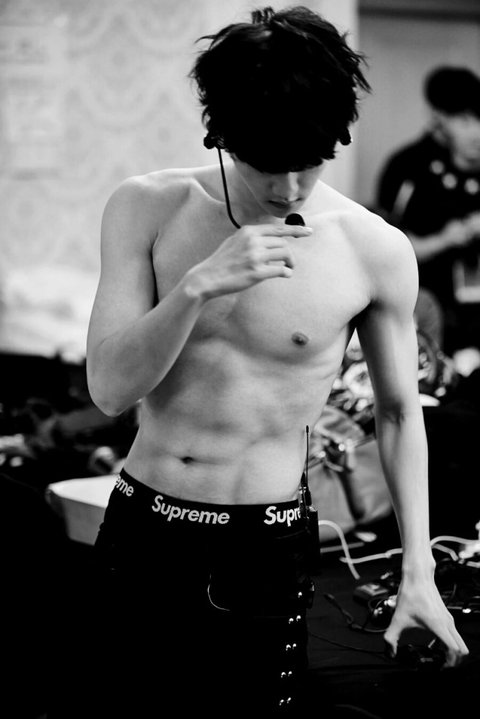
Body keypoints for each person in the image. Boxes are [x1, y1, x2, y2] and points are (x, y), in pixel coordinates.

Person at [83, 7, 468, 718]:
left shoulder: (373, 248)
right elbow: (109, 389)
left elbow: (397, 412)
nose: (290, 188)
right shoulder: (147, 207)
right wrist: (197, 287)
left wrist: (420, 570)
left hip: (262, 546)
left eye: (311, 163)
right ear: (222, 136)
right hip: (145, 527)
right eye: (267, 165)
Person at [375, 66, 480, 356]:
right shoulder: (406, 166)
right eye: (464, 121)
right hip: (425, 303)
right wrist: (445, 239)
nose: (474, 132)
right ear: (437, 116)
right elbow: (384, 248)